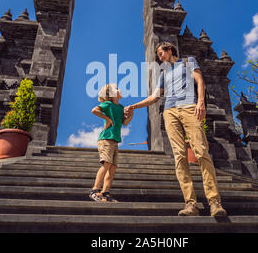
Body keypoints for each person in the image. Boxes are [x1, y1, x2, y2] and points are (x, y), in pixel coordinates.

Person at [125, 42, 227, 217]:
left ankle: (214, 202)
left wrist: (201, 102)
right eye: (158, 55)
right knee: (179, 156)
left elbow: (200, 80)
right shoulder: (164, 73)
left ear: (169, 50)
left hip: (189, 107)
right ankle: (190, 204)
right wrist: (134, 106)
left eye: (160, 53)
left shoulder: (188, 62)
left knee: (201, 151)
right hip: (170, 112)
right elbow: (155, 96)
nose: (160, 57)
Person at [89, 83, 134, 202]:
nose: (119, 89)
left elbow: (124, 123)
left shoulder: (120, 107)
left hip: (115, 140)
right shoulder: (108, 104)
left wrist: (131, 114)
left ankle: (105, 193)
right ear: (111, 94)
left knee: (113, 167)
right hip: (106, 138)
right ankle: (95, 190)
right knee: (107, 164)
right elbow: (94, 110)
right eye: (116, 89)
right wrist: (107, 119)